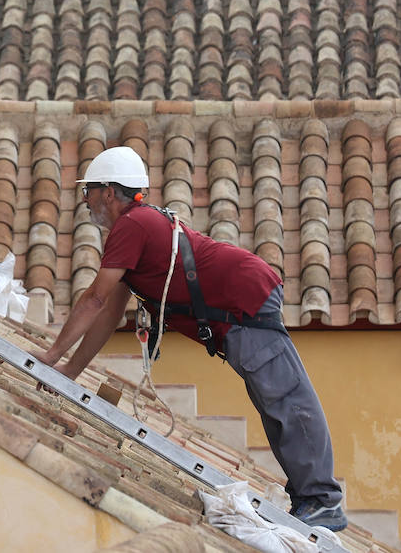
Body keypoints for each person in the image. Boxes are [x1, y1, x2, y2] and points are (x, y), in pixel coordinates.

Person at [33, 146, 347, 532]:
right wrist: (69, 369)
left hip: (243, 299)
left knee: (286, 397)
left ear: (109, 192)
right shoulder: (132, 230)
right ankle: (310, 496)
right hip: (237, 306)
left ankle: (322, 500)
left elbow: (94, 299)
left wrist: (49, 355)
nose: (86, 201)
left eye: (90, 192)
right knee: (273, 401)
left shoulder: (132, 225)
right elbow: (108, 312)